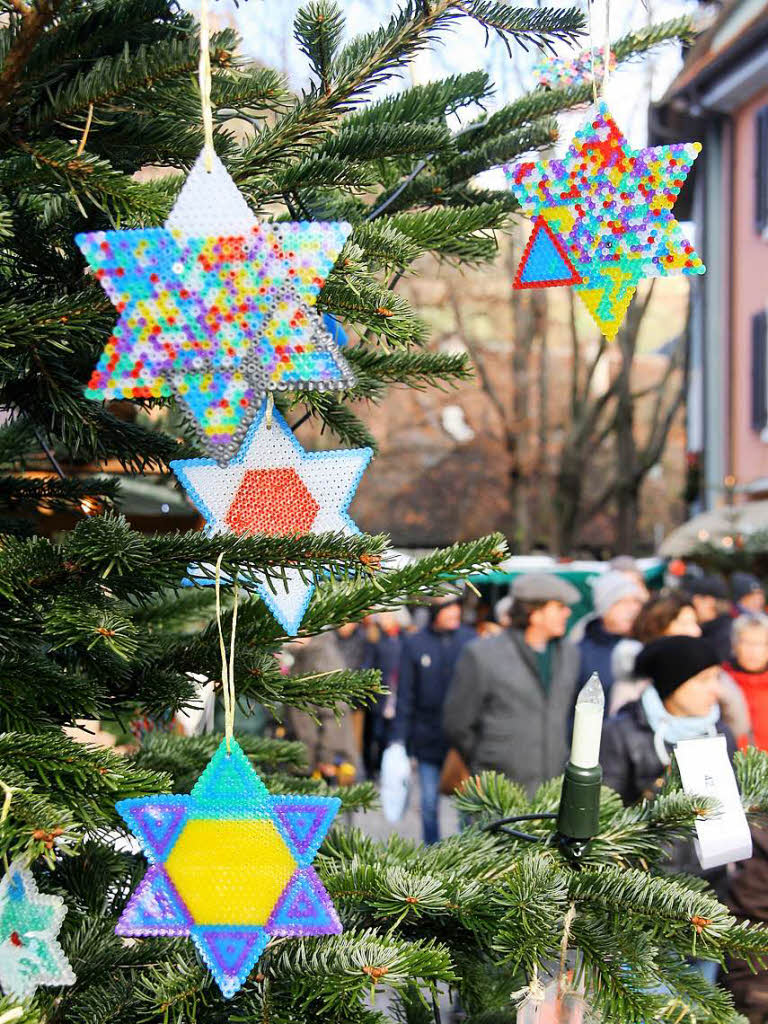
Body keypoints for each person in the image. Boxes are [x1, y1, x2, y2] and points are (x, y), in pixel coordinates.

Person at [443, 573, 580, 796]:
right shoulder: (483, 655)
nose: (567, 612)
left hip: (552, 792)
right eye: (559, 607)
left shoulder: (570, 655)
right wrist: (487, 761)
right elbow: (457, 722)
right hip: (499, 791)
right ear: (534, 613)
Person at [390, 592, 474, 844]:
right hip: (427, 736)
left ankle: (468, 849)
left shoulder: (470, 640)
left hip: (462, 739)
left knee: (466, 803)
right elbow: (405, 694)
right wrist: (398, 739)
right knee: (428, 802)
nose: (454, 614)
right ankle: (432, 848)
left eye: (456, 608)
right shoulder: (415, 644)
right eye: (448, 609)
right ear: (435, 612)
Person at [608, 592, 701, 715]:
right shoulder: (633, 679)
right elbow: (622, 730)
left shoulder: (702, 672)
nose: (696, 631)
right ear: (658, 628)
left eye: (696, 623)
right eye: (684, 624)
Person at [285, 631, 358, 786]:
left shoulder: (322, 653)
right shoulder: (301, 655)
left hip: (319, 758)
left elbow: (335, 709)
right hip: (302, 750)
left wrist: (328, 756)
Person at [577, 570, 645, 695]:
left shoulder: (646, 643)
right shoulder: (580, 653)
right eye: (622, 602)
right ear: (604, 608)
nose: (632, 609)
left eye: (636, 602)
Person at [360, 609, 408, 778]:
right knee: (372, 732)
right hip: (377, 693)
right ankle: (369, 768)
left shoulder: (404, 638)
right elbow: (367, 662)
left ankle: (380, 766)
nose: (383, 619)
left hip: (395, 692)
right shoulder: (375, 638)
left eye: (387, 615)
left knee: (386, 734)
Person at [723, 614, 768, 750]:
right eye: (746, 642)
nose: (753, 651)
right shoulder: (720, 682)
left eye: (760, 644)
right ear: (735, 645)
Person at [685, 574, 733, 662]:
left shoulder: (721, 636)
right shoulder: (716, 629)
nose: (691, 606)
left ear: (709, 602)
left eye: (696, 600)